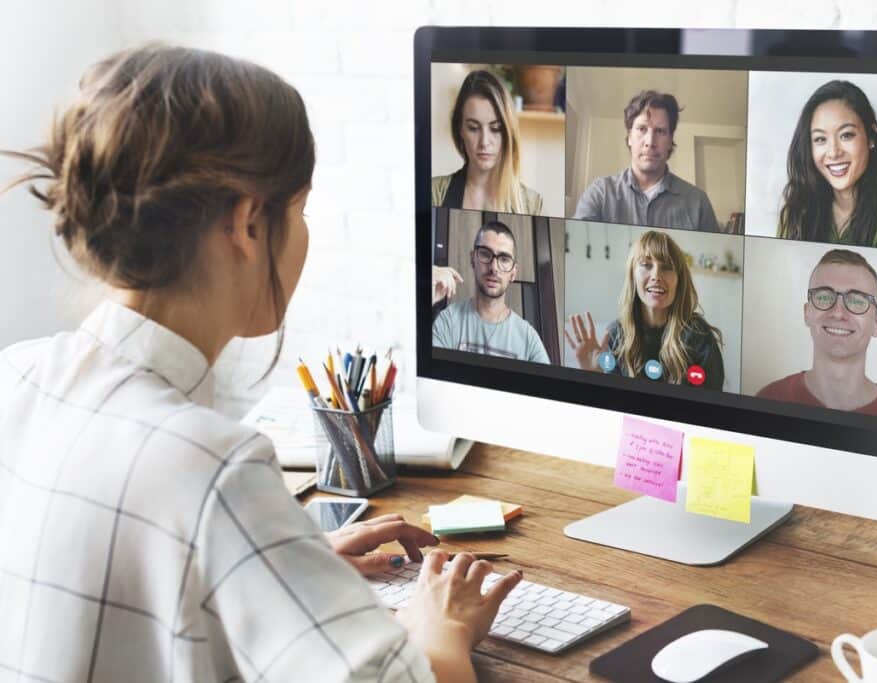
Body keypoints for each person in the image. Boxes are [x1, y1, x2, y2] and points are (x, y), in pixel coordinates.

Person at [0, 44, 521, 682]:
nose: (303, 233)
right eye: (299, 210)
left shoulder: (14, 377)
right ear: (248, 222)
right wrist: (441, 629)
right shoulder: (214, 470)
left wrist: (281, 562)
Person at [756, 248, 877, 418]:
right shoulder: (768, 399)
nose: (838, 313)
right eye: (824, 297)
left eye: (857, 301)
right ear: (807, 313)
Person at [565, 230, 724, 389]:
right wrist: (594, 377)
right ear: (633, 277)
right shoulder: (615, 335)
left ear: (679, 281)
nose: (656, 275)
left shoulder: (699, 335)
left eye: (667, 267)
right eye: (646, 265)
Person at [778, 79, 877, 250]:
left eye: (846, 135)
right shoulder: (797, 210)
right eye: (820, 139)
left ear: (871, 137)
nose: (833, 152)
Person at [573, 90, 719, 232]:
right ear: (629, 137)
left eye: (660, 131)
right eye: (642, 129)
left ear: (670, 140)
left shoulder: (698, 203)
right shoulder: (600, 193)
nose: (650, 141)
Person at [432, 220, 550, 364]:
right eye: (485, 254)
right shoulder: (448, 321)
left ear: (513, 273)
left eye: (504, 259)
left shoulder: (529, 339)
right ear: (472, 259)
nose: (494, 267)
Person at [432, 69, 543, 213]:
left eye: (496, 128)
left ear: (508, 133)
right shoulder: (434, 194)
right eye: (473, 128)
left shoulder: (532, 204)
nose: (484, 142)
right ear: (460, 130)